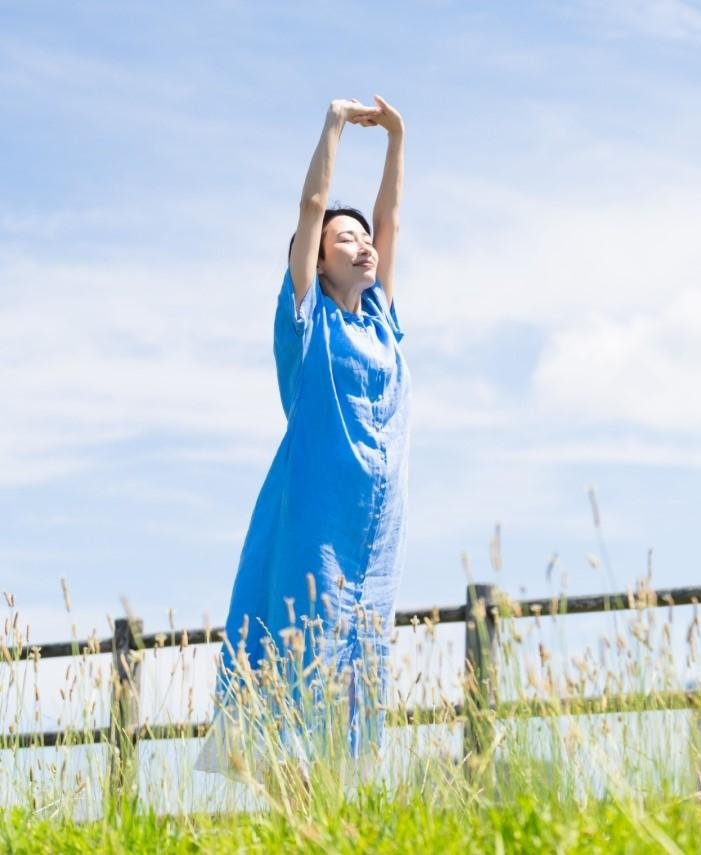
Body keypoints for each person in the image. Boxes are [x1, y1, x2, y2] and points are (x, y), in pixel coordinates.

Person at [195, 95, 409, 786]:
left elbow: (391, 222)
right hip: (314, 518)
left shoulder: (381, 321)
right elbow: (312, 204)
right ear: (314, 263)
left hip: (372, 530)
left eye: (363, 238)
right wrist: (336, 124)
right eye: (345, 239)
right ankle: (287, 793)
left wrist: (398, 138)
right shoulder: (307, 322)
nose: (363, 243)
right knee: (301, 656)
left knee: (359, 670)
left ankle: (330, 813)